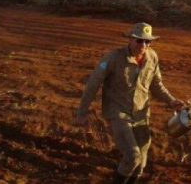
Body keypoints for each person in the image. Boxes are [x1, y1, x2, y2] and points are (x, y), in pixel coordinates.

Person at [74, 22, 184, 183]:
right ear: (130, 39)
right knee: (133, 156)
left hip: (140, 113)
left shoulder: (152, 57)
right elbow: (93, 84)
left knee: (141, 161)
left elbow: (156, 85)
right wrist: (81, 113)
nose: (144, 45)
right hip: (118, 112)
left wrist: (173, 101)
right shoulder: (114, 58)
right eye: (139, 40)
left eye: (148, 41)